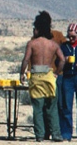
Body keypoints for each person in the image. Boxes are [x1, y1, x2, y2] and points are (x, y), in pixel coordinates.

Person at [19, 11, 65, 142]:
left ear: (37, 28)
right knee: (52, 107)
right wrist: (57, 73)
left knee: (38, 108)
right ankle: (56, 133)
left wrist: (21, 74)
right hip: (49, 76)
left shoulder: (32, 44)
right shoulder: (53, 45)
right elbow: (62, 60)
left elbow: (25, 60)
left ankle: (40, 135)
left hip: (36, 77)